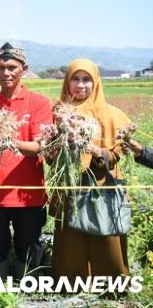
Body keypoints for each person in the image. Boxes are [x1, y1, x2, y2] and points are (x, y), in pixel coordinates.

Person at [0, 42, 52, 278]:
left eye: (11, 67)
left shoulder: (38, 103)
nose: (6, 73)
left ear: (24, 69)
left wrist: (8, 141)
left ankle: (31, 291)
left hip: (28, 193)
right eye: (0, 67)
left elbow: (41, 146)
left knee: (29, 250)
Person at [51, 58, 132, 280]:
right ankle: (71, 283)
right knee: (71, 240)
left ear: (96, 82)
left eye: (87, 79)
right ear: (66, 83)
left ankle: (110, 283)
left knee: (105, 237)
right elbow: (49, 155)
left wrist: (94, 150)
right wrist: (58, 150)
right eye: (75, 79)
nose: (81, 85)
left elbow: (115, 155)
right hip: (70, 186)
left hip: (101, 187)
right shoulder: (59, 114)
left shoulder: (112, 115)